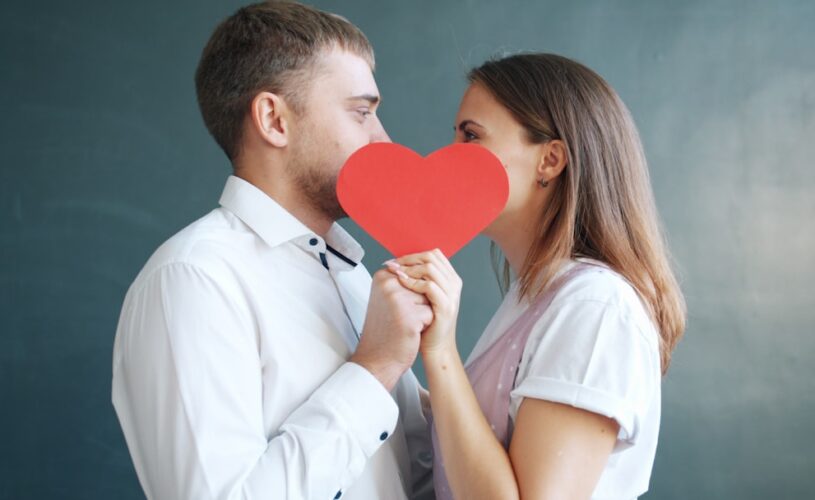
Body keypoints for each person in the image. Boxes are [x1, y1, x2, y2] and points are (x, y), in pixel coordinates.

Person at [111, 2, 434, 499]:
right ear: (273, 119)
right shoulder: (193, 279)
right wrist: (374, 368)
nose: (384, 139)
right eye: (361, 112)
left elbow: (415, 475)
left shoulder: (351, 276)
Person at [386, 53, 686, 499]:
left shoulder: (595, 308)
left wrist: (441, 351)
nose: (447, 157)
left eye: (471, 136)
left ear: (550, 161)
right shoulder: (541, 296)